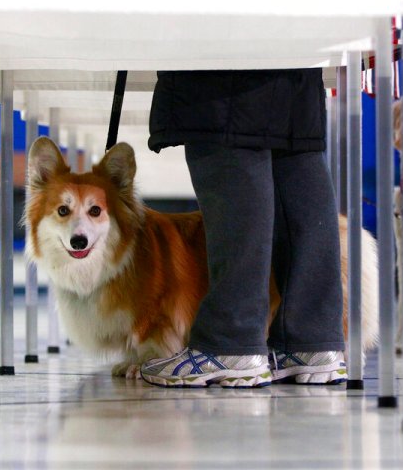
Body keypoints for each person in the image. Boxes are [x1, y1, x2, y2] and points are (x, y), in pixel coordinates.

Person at [139, 69, 347, 387]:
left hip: (230, 49)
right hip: (297, 46)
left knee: (227, 123)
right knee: (294, 144)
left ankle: (230, 341)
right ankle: (310, 342)